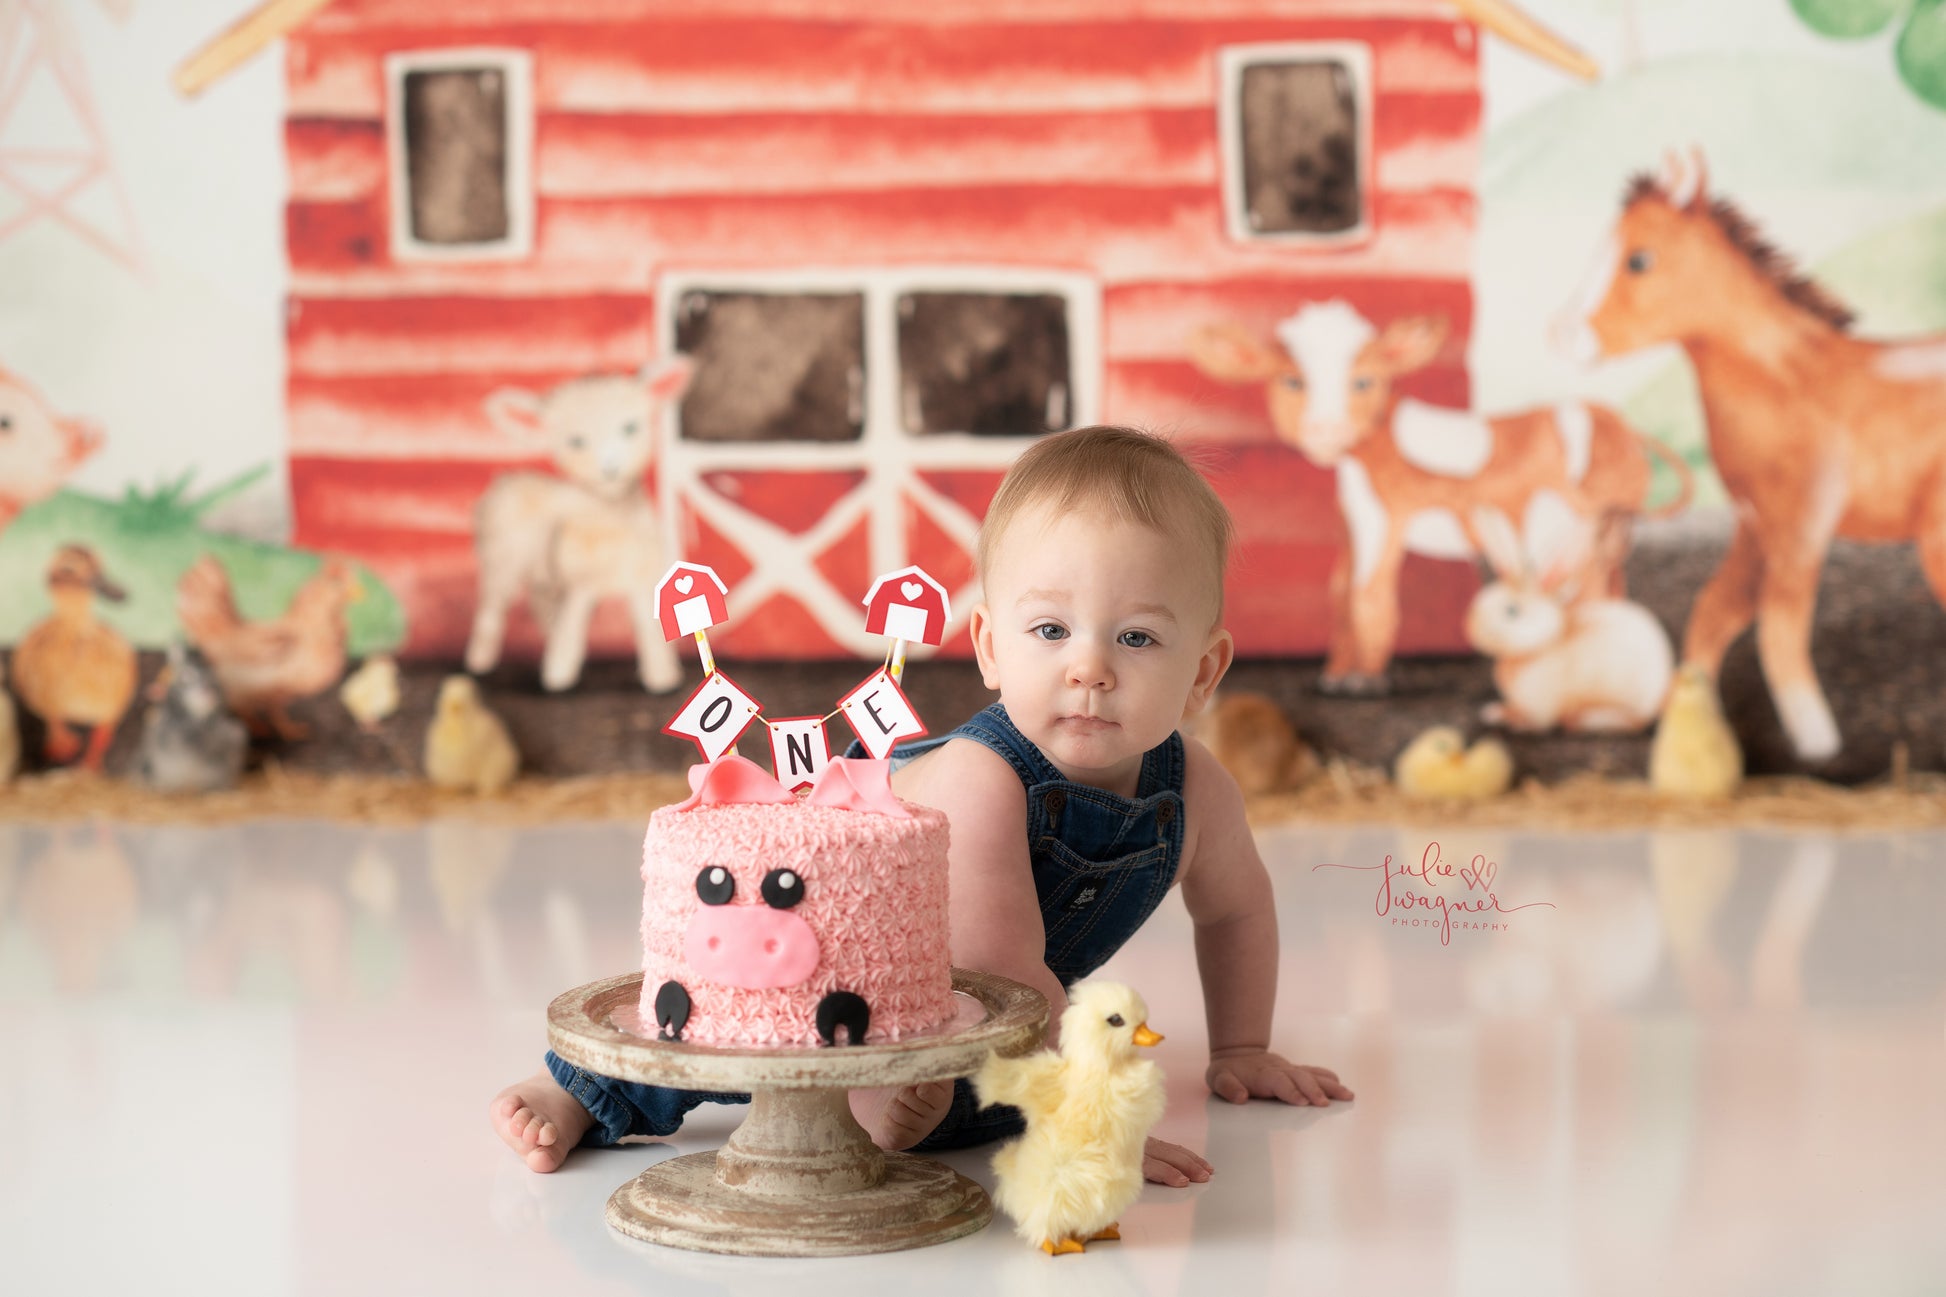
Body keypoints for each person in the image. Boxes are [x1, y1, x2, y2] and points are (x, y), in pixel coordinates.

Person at [492, 425, 1353, 1184]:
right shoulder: (983, 778)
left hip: (960, 1015)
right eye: (1050, 630)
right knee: (731, 1017)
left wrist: (1243, 1046)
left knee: (978, 1094)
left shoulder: (1195, 788)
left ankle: (894, 1102)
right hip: (810, 928)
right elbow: (1011, 974)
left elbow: (1237, 909)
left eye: (1137, 637)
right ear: (990, 646)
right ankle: (581, 1090)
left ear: (1203, 671)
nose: (1089, 668)